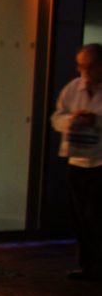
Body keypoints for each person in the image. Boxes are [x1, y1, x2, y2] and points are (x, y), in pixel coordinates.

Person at [51, 43, 102, 280]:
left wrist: (96, 122)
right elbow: (56, 117)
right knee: (81, 216)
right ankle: (87, 264)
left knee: (95, 215)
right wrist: (72, 120)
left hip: (99, 162)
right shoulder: (73, 89)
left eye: (90, 67)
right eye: (81, 67)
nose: (85, 73)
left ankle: (95, 265)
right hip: (78, 160)